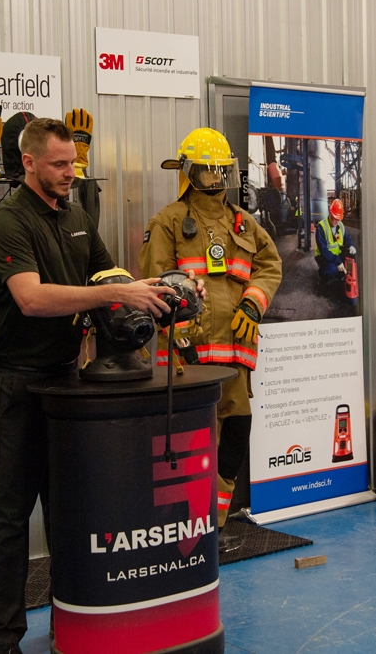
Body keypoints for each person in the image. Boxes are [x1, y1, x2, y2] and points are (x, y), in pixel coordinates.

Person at [0, 117, 175, 654]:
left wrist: (158, 290)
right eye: (60, 164)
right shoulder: (9, 222)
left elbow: (110, 278)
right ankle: (3, 640)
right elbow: (31, 298)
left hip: (68, 379)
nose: (72, 172)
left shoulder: (77, 216)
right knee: (12, 513)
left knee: (67, 509)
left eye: (73, 163)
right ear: (29, 163)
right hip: (20, 382)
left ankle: (68, 621)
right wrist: (114, 295)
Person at [138, 127, 282, 550]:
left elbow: (270, 266)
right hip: (188, 361)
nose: (217, 178)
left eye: (222, 170)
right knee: (191, 445)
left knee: (235, 435)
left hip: (234, 356)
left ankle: (212, 525)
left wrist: (253, 304)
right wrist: (180, 335)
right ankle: (186, 532)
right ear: (188, 172)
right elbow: (155, 284)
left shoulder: (244, 223)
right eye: (207, 170)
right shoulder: (167, 222)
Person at [315, 198, 356, 289]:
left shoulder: (340, 225)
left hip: (336, 255)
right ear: (330, 214)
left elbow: (347, 238)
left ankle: (339, 274)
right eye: (334, 218)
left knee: (349, 262)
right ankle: (323, 274)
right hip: (324, 257)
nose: (336, 221)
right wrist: (338, 262)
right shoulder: (321, 227)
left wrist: (351, 245)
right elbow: (323, 250)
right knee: (332, 269)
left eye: (338, 219)